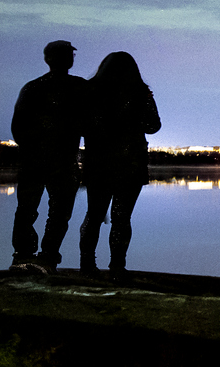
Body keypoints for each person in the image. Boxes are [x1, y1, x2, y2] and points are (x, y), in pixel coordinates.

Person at [79, 51, 160, 273]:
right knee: (122, 217)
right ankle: (117, 267)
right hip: (130, 162)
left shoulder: (91, 91)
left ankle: (87, 264)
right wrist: (133, 119)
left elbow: (82, 125)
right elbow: (154, 126)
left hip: (99, 162)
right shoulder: (140, 92)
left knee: (94, 215)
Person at [10, 40, 87, 273]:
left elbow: (18, 129)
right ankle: (45, 256)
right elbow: (89, 124)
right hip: (60, 160)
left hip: (36, 160)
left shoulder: (33, 87)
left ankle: (26, 255)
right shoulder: (79, 87)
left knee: (30, 210)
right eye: (68, 55)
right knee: (56, 212)